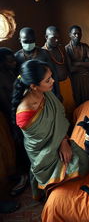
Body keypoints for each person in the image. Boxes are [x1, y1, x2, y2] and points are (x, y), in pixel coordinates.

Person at [11, 59, 89, 199]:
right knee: (75, 167)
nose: (53, 81)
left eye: (51, 77)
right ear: (34, 86)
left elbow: (59, 114)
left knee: (84, 161)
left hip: (58, 140)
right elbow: (43, 139)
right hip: (44, 152)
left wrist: (64, 141)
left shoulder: (45, 93)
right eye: (48, 80)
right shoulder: (24, 114)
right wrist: (60, 141)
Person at [0, 47, 29, 196]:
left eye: (13, 59)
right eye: (9, 61)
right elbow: (6, 102)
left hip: (20, 112)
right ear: (2, 63)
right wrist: (14, 118)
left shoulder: (12, 72)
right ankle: (24, 173)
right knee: (19, 144)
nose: (13, 62)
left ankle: (29, 170)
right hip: (12, 115)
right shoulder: (1, 78)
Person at [15, 27, 60, 99]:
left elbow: (54, 73)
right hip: (28, 96)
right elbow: (17, 80)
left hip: (47, 92)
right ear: (20, 40)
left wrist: (58, 93)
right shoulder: (17, 57)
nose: (29, 44)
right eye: (26, 41)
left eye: (31, 41)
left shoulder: (44, 53)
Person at [43, 26, 75, 120]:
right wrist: (56, 91)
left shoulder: (61, 49)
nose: (57, 40)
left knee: (71, 108)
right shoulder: (43, 52)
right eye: (53, 38)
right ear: (46, 37)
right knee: (60, 111)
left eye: (58, 37)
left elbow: (68, 66)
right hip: (54, 86)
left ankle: (73, 129)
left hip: (67, 83)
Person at [65, 25, 89, 105]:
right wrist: (85, 65)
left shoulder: (85, 46)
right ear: (70, 35)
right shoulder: (67, 49)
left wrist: (78, 63)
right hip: (75, 79)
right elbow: (71, 69)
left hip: (86, 78)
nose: (77, 36)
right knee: (78, 100)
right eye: (74, 34)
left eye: (79, 33)